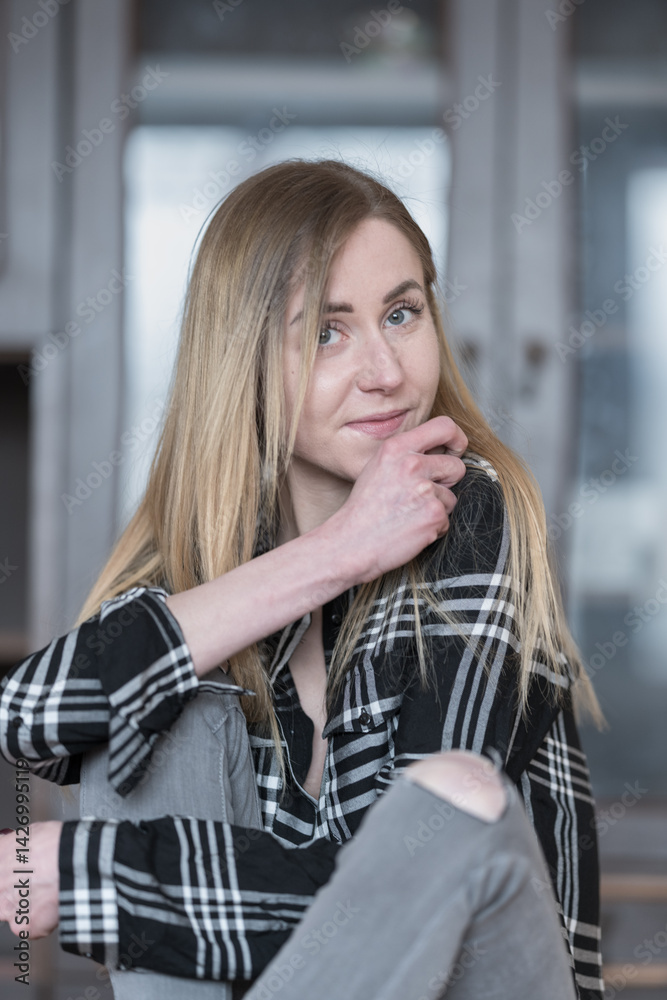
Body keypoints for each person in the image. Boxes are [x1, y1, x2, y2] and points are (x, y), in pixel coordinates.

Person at [0, 159, 603, 999]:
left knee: (452, 796)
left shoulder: (464, 508)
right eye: (326, 332)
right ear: (241, 361)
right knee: (149, 693)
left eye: (401, 314)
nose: (385, 371)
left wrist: (101, 874)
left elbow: (408, 886)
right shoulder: (201, 575)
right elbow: (28, 720)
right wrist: (338, 552)